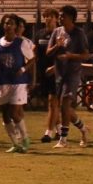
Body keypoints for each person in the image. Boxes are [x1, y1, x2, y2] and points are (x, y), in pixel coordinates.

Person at [0, 14, 35, 153]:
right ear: (3, 25)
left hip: (18, 82)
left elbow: (32, 59)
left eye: (11, 23)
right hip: (3, 81)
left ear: (15, 26)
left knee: (14, 112)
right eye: (6, 23)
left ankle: (25, 138)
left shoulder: (21, 42)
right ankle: (15, 143)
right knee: (4, 113)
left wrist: (23, 69)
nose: (8, 25)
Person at [49, 5, 91, 148]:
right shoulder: (56, 32)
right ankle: (83, 129)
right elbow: (48, 52)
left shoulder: (79, 34)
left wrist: (70, 56)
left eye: (63, 16)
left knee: (65, 103)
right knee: (64, 108)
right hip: (59, 73)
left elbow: (86, 55)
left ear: (72, 18)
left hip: (72, 73)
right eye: (60, 15)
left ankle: (63, 139)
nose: (60, 18)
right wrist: (56, 46)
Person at [35, 8, 61, 142]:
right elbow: (35, 53)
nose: (48, 19)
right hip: (43, 71)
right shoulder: (39, 34)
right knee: (49, 103)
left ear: (56, 18)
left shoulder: (61, 34)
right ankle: (60, 129)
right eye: (45, 16)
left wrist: (56, 67)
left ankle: (48, 133)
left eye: (51, 16)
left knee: (52, 102)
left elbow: (64, 54)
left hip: (56, 72)